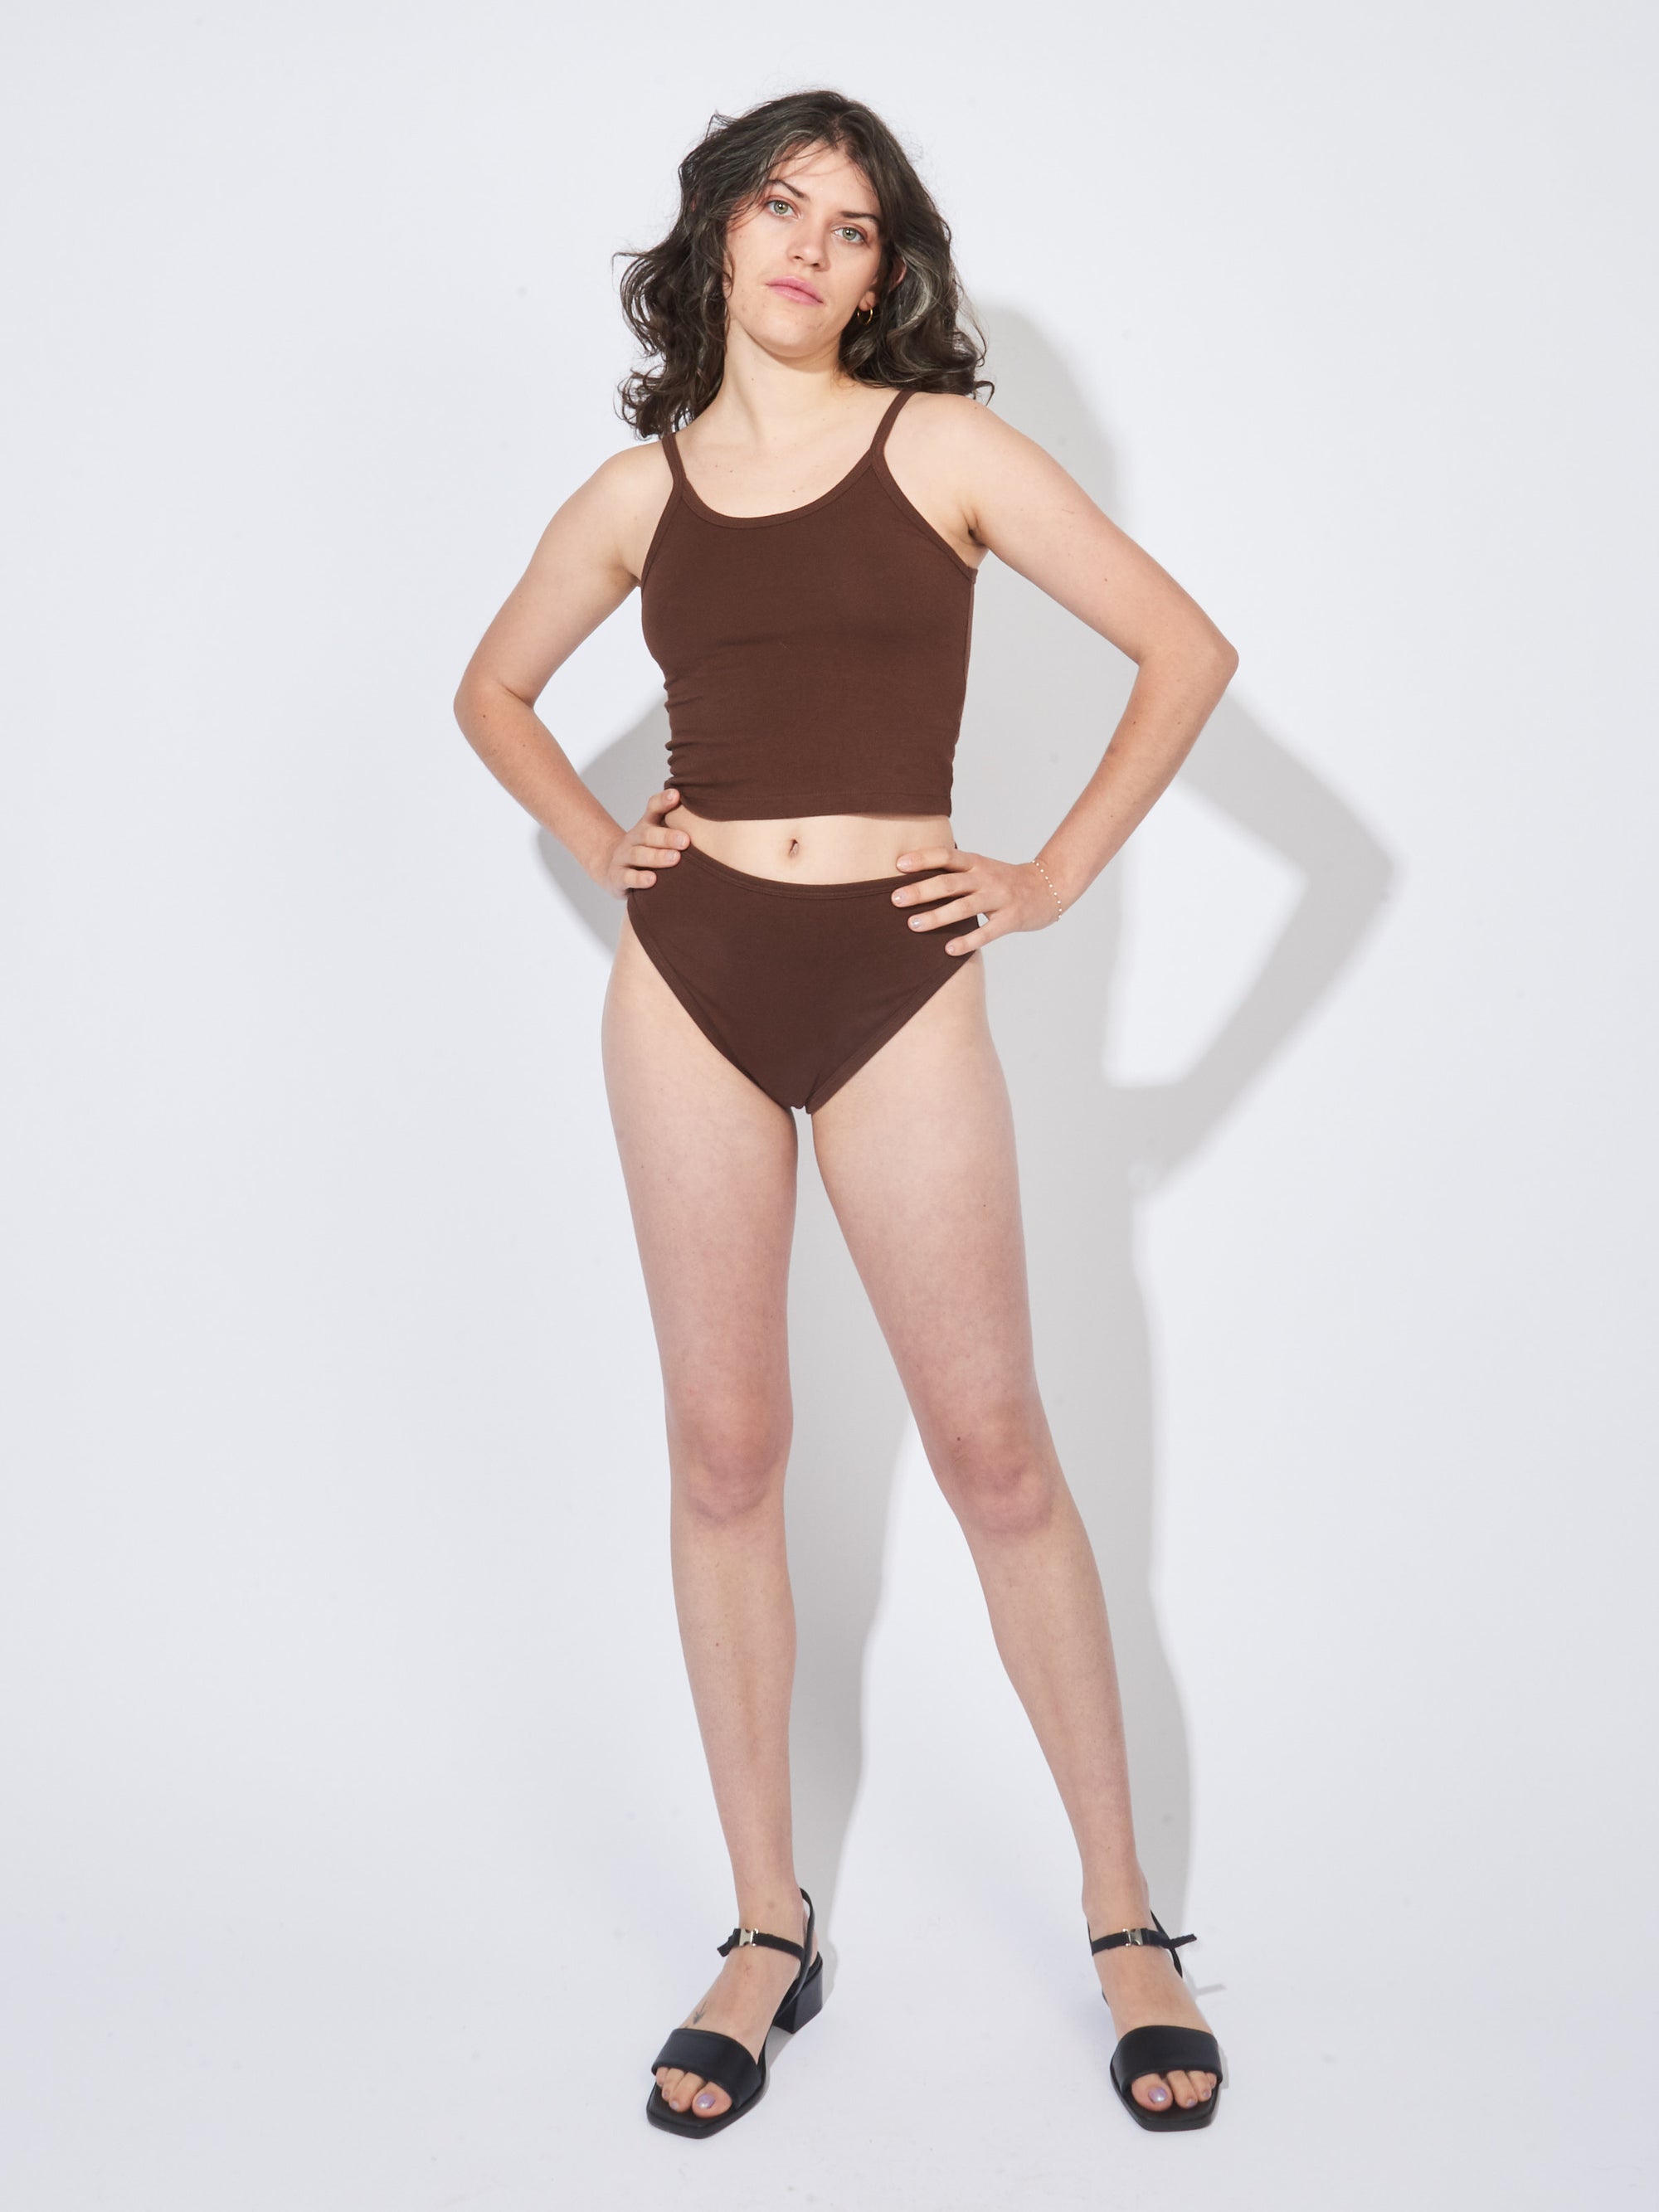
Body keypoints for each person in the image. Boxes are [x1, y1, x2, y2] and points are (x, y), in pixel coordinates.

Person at [452, 88, 1238, 2139]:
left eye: (856, 225)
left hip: (897, 972)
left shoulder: (943, 447)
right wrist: (599, 837)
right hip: (688, 979)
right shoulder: (634, 494)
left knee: (996, 1451)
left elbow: (1183, 649)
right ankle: (763, 1923)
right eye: (781, 207)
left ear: (887, 273)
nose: (811, 246)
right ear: (716, 235)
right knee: (726, 1452)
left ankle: (1125, 1914)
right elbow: (489, 690)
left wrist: (1046, 876)